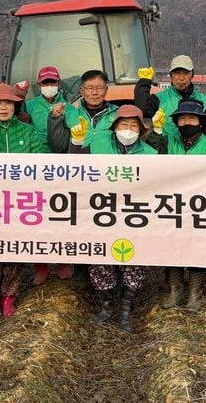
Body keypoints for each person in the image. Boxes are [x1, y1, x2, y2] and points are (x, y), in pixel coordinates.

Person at [69, 104, 157, 333]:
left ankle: (126, 308)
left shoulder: (150, 153)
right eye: (123, 124)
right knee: (100, 257)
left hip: (135, 215)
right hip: (102, 214)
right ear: (115, 127)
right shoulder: (97, 145)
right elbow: (75, 169)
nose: (128, 130)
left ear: (141, 130)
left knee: (135, 259)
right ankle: (106, 307)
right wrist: (76, 145)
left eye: (133, 125)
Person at [0, 83, 49, 322]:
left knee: (14, 249)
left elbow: (42, 159)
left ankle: (9, 298)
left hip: (19, 201)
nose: (4, 108)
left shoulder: (27, 131)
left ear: (16, 107)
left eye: (9, 104)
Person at [145, 100, 206, 311]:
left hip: (200, 206)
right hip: (173, 206)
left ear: (200, 122)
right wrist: (156, 131)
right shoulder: (169, 142)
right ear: (177, 122)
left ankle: (195, 294)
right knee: (173, 248)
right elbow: (150, 154)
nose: (186, 122)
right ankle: (175, 290)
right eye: (182, 119)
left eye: (191, 118)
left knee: (198, 249)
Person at [25, 66, 76, 284]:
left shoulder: (70, 107)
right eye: (45, 83)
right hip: (36, 165)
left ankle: (63, 262)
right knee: (37, 217)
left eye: (52, 83)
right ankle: (41, 266)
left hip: (62, 165)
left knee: (61, 214)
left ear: (59, 83)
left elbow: (75, 131)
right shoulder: (29, 106)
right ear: (39, 85)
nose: (49, 87)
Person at [134, 56, 206, 140]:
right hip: (167, 149)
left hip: (196, 151)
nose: (181, 78)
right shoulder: (159, 98)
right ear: (171, 75)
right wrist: (144, 83)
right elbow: (142, 110)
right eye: (177, 73)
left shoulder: (205, 101)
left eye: (186, 73)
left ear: (192, 75)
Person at [47, 69, 118, 153]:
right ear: (82, 91)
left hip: (108, 165)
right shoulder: (70, 116)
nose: (94, 92)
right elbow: (58, 147)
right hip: (80, 165)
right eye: (89, 88)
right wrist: (55, 119)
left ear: (106, 90)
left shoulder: (118, 114)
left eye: (99, 88)